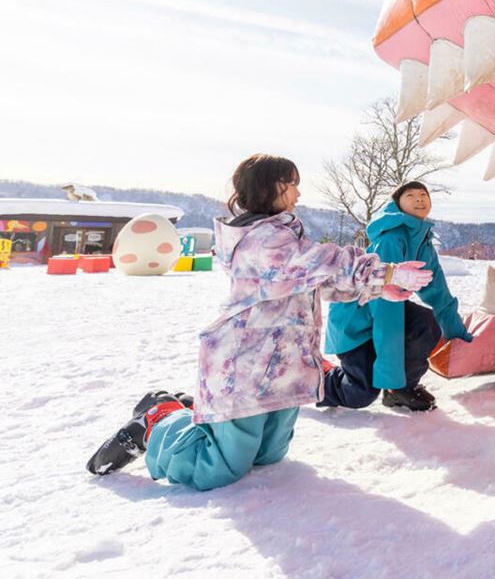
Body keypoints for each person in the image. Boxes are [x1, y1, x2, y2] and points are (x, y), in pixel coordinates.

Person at [85, 154, 432, 490]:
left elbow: (312, 280)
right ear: (268, 187)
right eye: (291, 184)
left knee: (269, 454)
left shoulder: (284, 234)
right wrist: (383, 271)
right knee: (218, 467)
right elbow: (315, 263)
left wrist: (376, 287)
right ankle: (158, 420)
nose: (298, 192)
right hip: (247, 363)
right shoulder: (259, 240)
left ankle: (198, 416)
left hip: (285, 364)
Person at [321, 181, 473, 413]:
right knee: (359, 394)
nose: (419, 198)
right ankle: (319, 377)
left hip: (384, 314)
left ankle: (400, 392)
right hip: (355, 322)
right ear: (397, 204)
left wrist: (459, 338)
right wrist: (391, 376)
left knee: (426, 323)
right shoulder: (390, 240)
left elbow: (439, 294)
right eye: (410, 195)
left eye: (423, 194)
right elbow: (385, 312)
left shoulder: (422, 242)